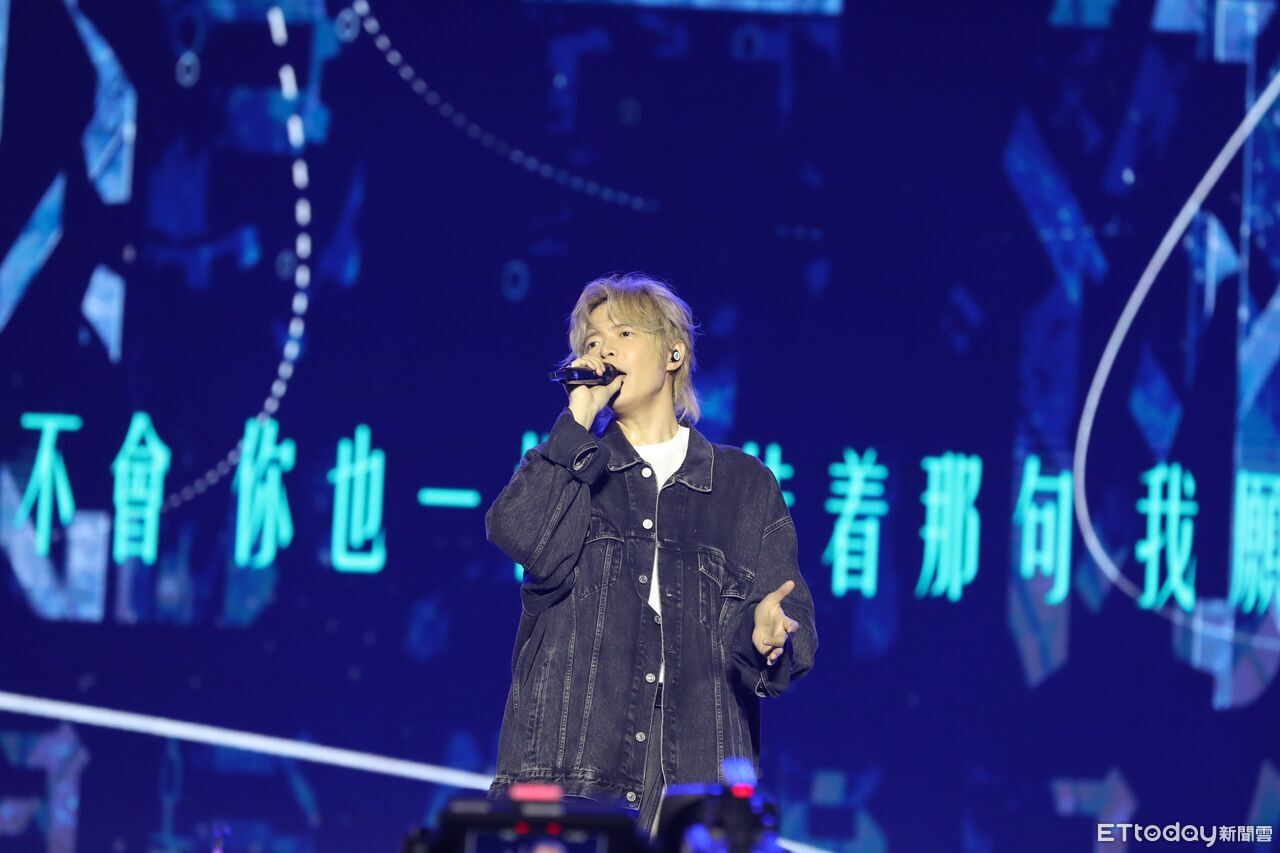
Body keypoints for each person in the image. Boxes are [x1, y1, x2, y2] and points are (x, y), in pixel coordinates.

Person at [485, 272, 817, 837]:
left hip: (695, 785)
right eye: (592, 342)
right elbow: (519, 534)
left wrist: (766, 633)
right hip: (576, 769)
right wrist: (577, 422)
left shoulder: (742, 484)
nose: (603, 351)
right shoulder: (572, 467)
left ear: (673, 353)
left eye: (623, 334)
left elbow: (793, 628)